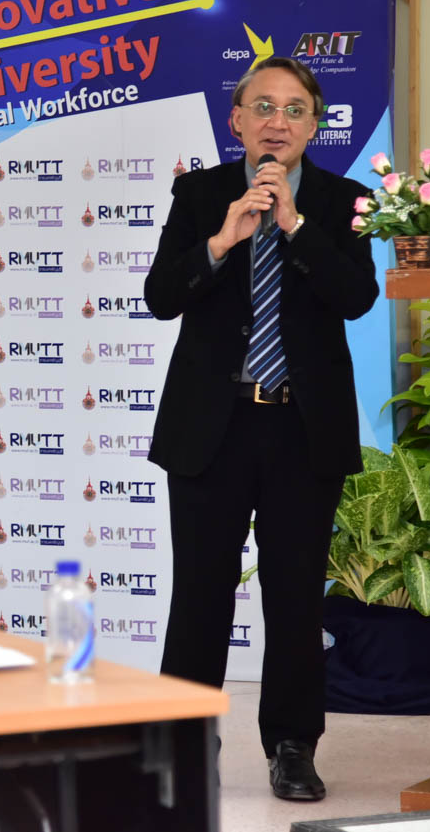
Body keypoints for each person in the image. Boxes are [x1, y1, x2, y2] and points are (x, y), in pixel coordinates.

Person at [143, 57, 378, 801]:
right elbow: (161, 296)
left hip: (301, 429)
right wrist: (222, 240)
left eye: (296, 108)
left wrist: (294, 227)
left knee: (295, 596)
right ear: (237, 120)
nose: (279, 121)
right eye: (264, 106)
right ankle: (184, 746)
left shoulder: (345, 201)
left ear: (314, 125)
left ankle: (293, 746)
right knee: (200, 596)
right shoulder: (199, 193)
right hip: (211, 425)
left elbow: (355, 298)